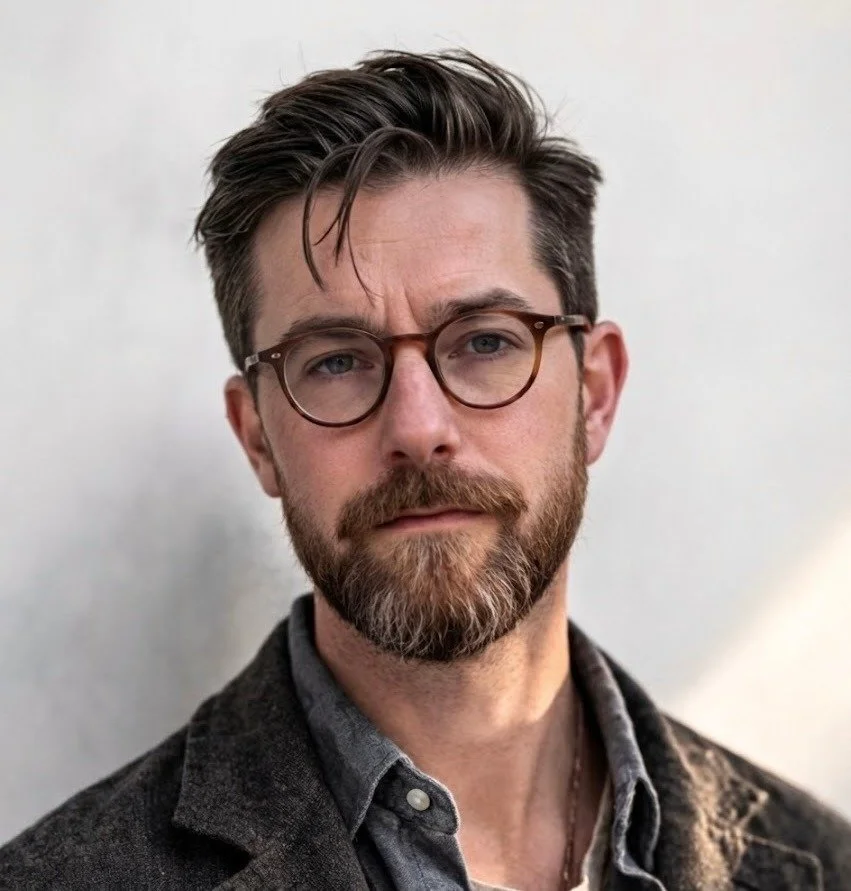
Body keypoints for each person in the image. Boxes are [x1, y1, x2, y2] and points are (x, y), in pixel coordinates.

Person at [1, 49, 849, 891]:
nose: (417, 427)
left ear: (593, 392)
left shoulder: (817, 862)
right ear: (256, 434)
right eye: (334, 361)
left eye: (485, 342)